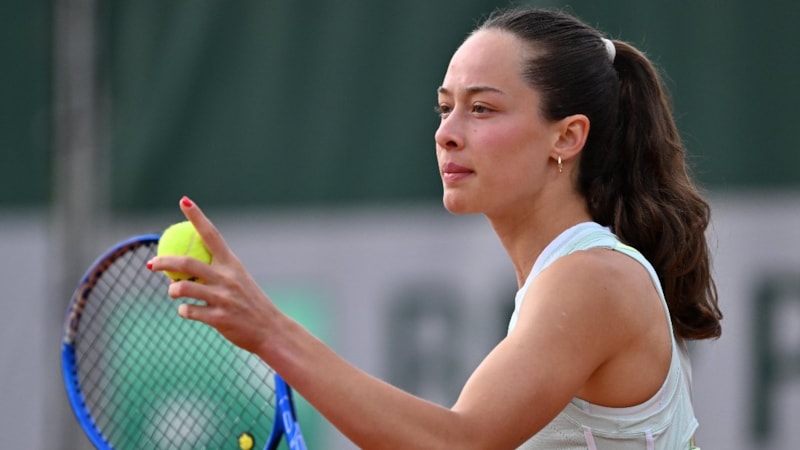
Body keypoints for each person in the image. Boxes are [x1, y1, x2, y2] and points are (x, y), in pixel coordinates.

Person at [148, 7, 722, 449]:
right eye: (445, 107)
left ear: (566, 137)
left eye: (482, 109)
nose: (447, 132)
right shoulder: (572, 277)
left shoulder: (593, 280)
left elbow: (457, 442)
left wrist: (270, 331)